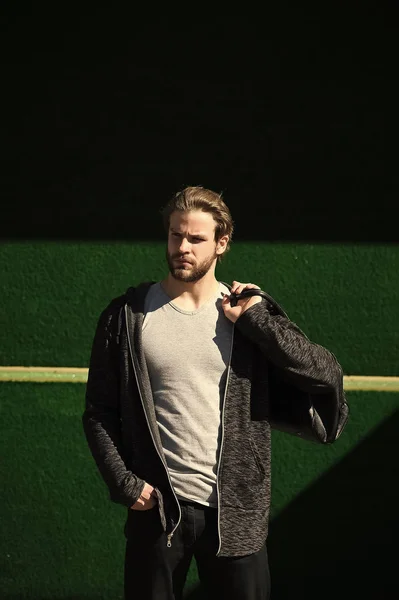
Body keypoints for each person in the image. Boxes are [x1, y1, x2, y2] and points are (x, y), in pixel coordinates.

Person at [82, 185, 345, 600]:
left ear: (222, 243)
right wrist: (125, 484)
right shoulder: (128, 315)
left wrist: (259, 320)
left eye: (196, 239)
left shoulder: (246, 312)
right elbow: (99, 410)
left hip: (237, 512)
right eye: (175, 235)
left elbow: (324, 373)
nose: (182, 246)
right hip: (159, 512)